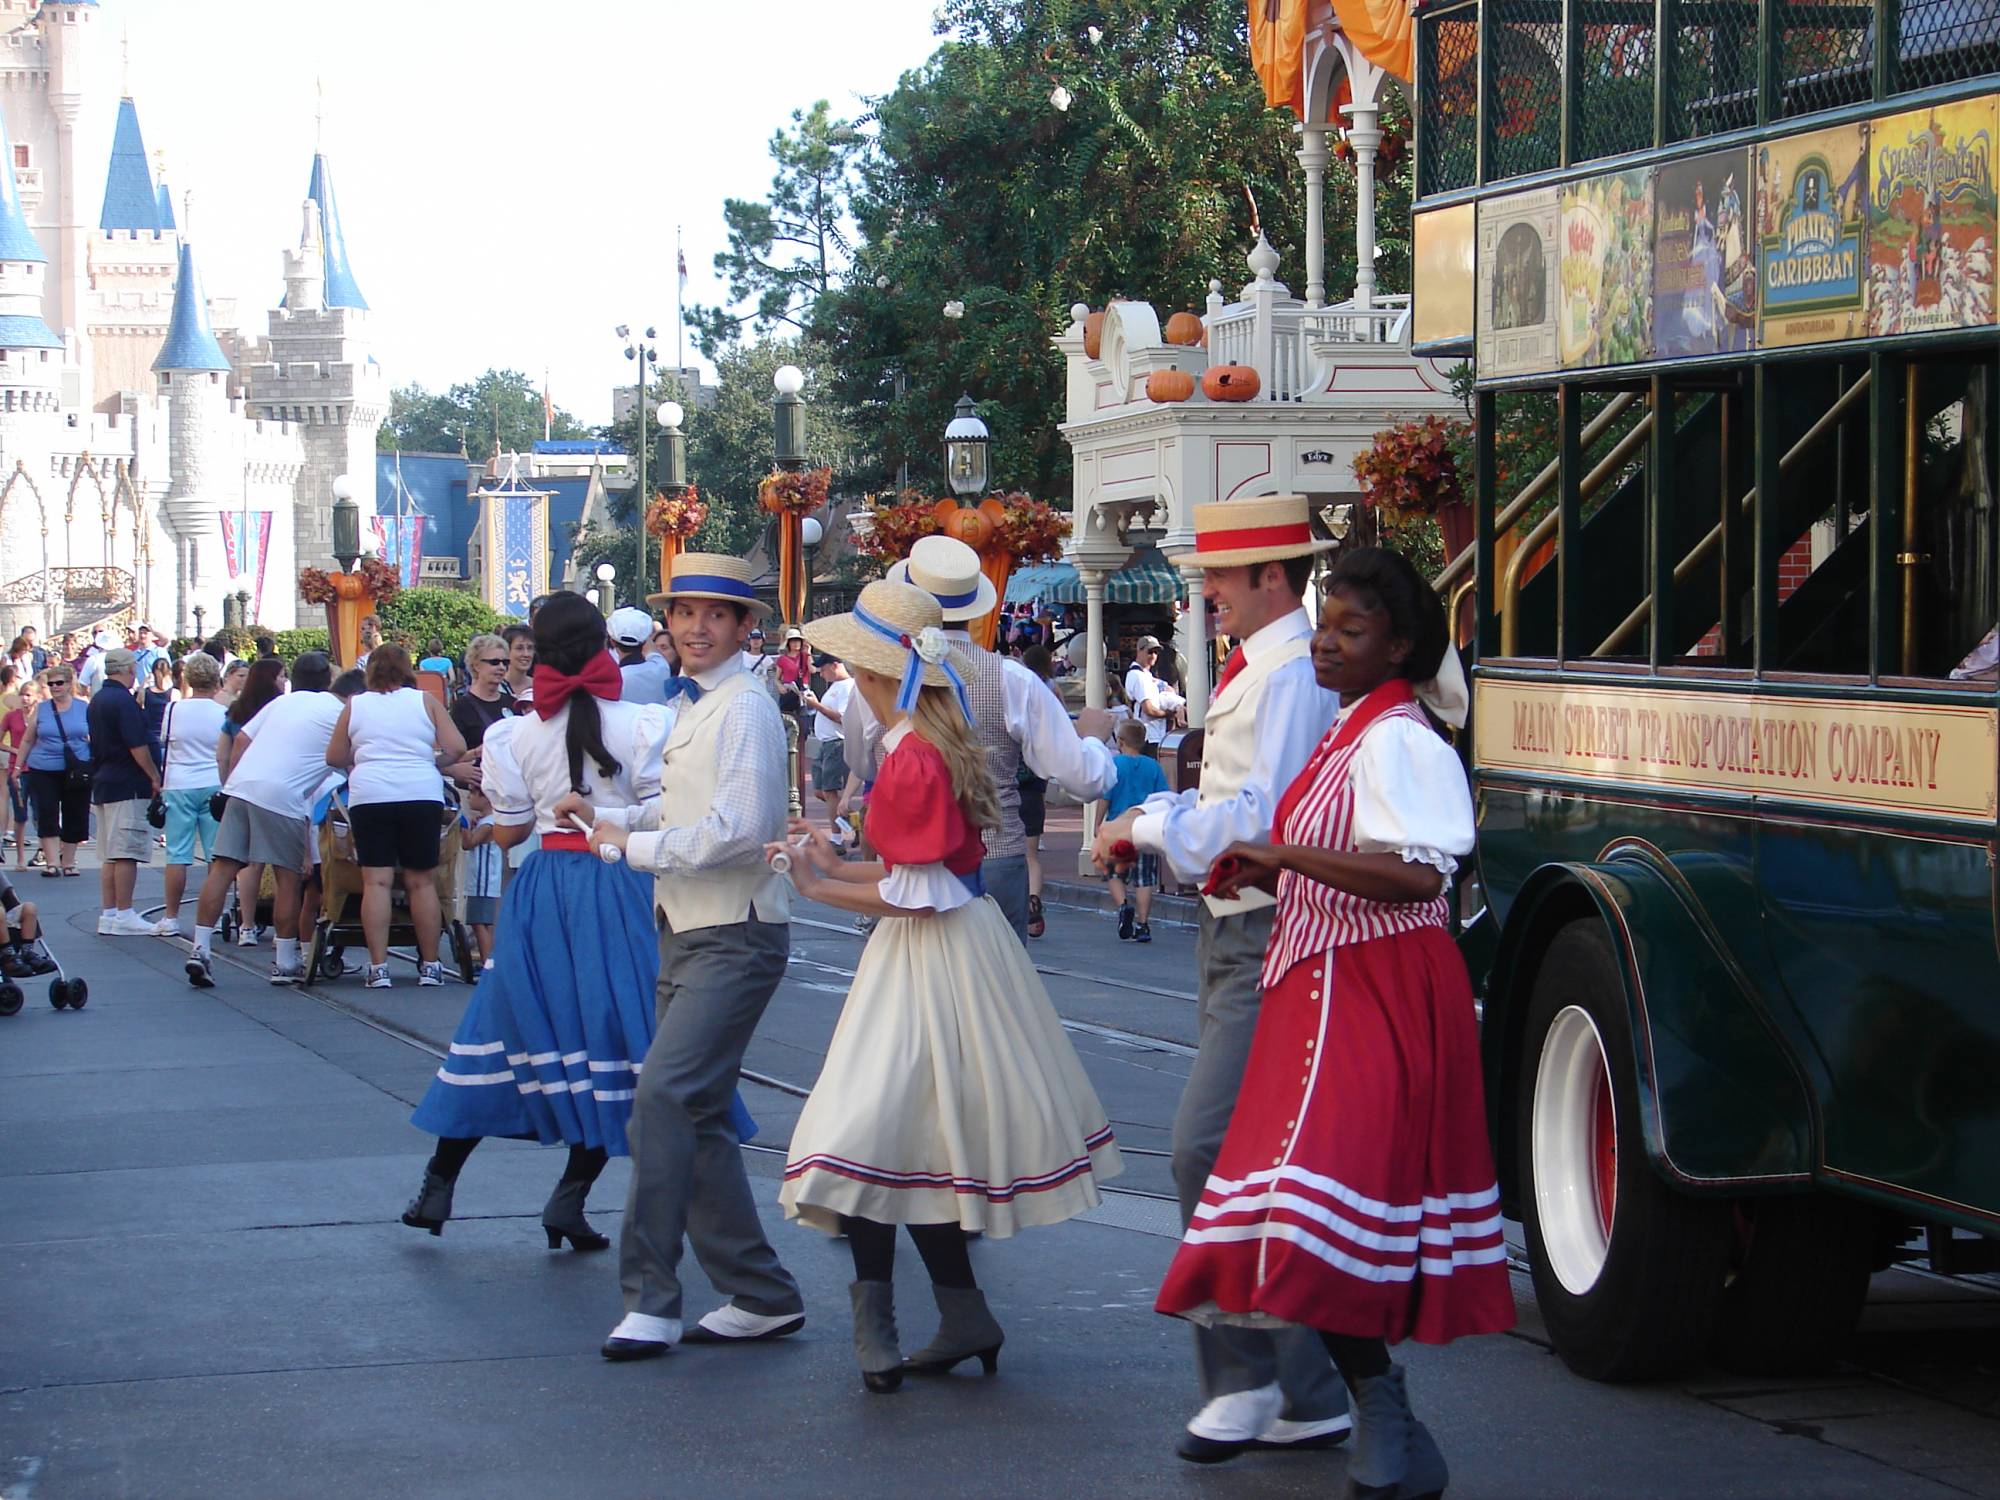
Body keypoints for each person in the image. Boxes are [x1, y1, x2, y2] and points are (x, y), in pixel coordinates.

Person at [1157, 548, 1512, 1497]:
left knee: (1317, 1207)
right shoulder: (1354, 729)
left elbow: (1421, 875)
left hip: (1376, 988)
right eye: (1326, 627)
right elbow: (1340, 853)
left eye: (1351, 633)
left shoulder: (1399, 736)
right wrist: (1265, 867)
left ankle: (1374, 1410)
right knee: (1297, 1209)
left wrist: (1287, 857)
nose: (1327, 647)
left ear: (1397, 646)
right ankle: (1367, 1410)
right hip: (1319, 983)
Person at [768, 581, 1123, 1394]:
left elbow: (917, 892)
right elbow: (915, 874)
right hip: (950, 951)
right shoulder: (927, 742)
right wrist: (827, 862)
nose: (847, 679)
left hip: (926, 957)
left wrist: (817, 886)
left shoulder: (912, 758)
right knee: (917, 1144)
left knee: (861, 1136)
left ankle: (879, 1325)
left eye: (856, 667)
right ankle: (959, 1314)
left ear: (878, 675)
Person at [1090, 495, 1349, 1465]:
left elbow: (1255, 819)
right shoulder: (1268, 669)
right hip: (1237, 931)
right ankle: (1308, 1386)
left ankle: (1245, 1377)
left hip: (1269, 932)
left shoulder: (1286, 677)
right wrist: (1157, 817)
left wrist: (1145, 827)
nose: (1205, 596)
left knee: (1206, 1152)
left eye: (1219, 579)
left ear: (1269, 578)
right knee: (1243, 1160)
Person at [585, 552, 805, 1362]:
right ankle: (761, 1293)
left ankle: (651, 1296)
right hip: (691, 925)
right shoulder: (703, 703)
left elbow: (738, 831)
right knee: (697, 1111)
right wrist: (612, 812)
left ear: (747, 628)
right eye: (685, 613)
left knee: (664, 1100)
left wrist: (627, 847)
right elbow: (691, 804)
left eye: (717, 615)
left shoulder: (743, 705)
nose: (697, 628)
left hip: (733, 930)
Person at [402, 592, 669, 1250]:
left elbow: (510, 829)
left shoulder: (513, 733)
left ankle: (439, 1182)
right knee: (618, 1036)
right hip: (618, 880)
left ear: (535, 655)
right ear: (603, 643)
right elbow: (665, 812)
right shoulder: (644, 724)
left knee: (506, 1022)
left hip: (546, 886)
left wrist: (504, 813)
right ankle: (569, 1200)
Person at [884, 535, 1118, 940]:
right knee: (997, 990)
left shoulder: (885, 679)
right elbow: (1082, 778)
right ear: (972, 607)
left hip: (909, 861)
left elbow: (858, 758)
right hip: (992, 853)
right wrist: (1093, 739)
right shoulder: (1011, 679)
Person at [184, 652, 348, 989]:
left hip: (243, 787)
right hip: (283, 796)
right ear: (327, 680)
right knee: (289, 879)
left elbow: (242, 739)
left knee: (223, 868)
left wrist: (232, 783)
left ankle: (200, 948)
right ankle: (286, 960)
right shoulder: (337, 710)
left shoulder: (281, 704)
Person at [325, 644, 466, 989]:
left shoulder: (356, 705)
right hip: (420, 793)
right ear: (408, 670)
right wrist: (430, 763)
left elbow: (334, 756)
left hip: (370, 795)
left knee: (377, 882)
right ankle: (431, 965)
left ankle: (378, 967)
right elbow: (457, 747)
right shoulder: (425, 702)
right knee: (421, 881)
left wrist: (362, 762)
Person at [85, 648, 162, 935]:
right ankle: (125, 913)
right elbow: (136, 744)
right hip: (128, 782)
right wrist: (154, 775)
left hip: (106, 779)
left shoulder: (98, 700)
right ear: (128, 670)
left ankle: (110, 912)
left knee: (110, 853)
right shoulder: (123, 702)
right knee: (126, 852)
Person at [217, 658, 288, 948]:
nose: (285, 682)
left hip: (242, 789)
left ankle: (246, 924)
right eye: (282, 676)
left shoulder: (236, 711)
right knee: (285, 864)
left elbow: (222, 753)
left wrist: (227, 784)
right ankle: (287, 931)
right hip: (278, 789)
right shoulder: (282, 711)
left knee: (248, 862)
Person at [155, 653, 228, 936]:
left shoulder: (173, 709)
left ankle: (171, 916)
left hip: (178, 783)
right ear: (216, 680)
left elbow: (165, 741)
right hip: (213, 784)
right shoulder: (223, 713)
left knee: (177, 853)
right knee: (216, 856)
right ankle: (214, 916)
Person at [1099, 719, 1169, 943]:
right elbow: (1162, 797)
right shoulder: (1153, 766)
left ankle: (1123, 906)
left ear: (1120, 741)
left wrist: (1098, 822)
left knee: (1113, 873)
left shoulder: (1115, 765)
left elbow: (1105, 797)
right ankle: (1143, 924)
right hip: (1145, 827)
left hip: (1119, 826)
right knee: (1144, 878)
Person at [19, 663, 92, 878]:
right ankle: (51, 862)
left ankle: (68, 861)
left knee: (75, 813)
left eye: (59, 683)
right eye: (51, 684)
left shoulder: (83, 707)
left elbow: (94, 736)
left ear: (70, 684)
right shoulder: (42, 708)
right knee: (47, 812)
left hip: (76, 768)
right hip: (44, 767)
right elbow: (28, 739)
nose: (55, 687)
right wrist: (17, 766)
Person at [1016, 645, 1055, 937]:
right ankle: (1033, 900)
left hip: (1008, 782)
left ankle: (1010, 904)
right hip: (1034, 782)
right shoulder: (1051, 692)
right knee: (1031, 853)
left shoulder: (1014, 693)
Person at [447, 633, 512, 784]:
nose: (501, 667)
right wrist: (478, 752)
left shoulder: (513, 703)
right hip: (476, 788)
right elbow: (451, 757)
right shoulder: (461, 707)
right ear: (476, 665)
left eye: (505, 662)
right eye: (494, 662)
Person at [803, 654, 852, 819]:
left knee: (829, 790)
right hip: (824, 743)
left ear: (834, 666)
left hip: (836, 743)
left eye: (823, 670)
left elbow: (841, 718)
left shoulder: (847, 686)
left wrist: (816, 705)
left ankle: (837, 838)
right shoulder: (835, 686)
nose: (821, 674)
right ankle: (852, 820)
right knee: (820, 790)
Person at [1124, 634, 1186, 752]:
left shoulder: (1146, 675)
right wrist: (1169, 714)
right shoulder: (1138, 676)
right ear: (1139, 651)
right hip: (1148, 736)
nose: (1153, 656)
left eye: (1156, 652)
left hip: (1154, 734)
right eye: (1150, 651)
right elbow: (1149, 709)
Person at [608, 606, 673, 706]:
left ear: (612, 642)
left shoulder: (614, 680)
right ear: (645, 641)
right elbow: (652, 649)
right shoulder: (661, 667)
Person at [501, 623, 535, 706]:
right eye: (519, 648)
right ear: (506, 651)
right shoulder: (498, 688)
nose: (526, 654)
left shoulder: (540, 687)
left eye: (530, 648)